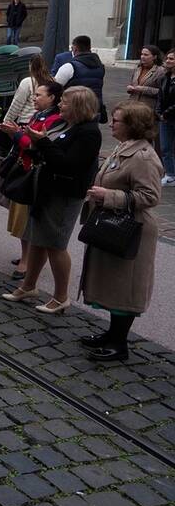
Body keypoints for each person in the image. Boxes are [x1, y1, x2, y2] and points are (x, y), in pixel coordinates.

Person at [0, 86, 99, 313]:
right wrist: (31, 144)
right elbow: (48, 153)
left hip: (64, 195)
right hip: (45, 189)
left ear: (78, 106)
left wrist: (42, 142)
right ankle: (28, 286)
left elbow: (68, 165)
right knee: (37, 238)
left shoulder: (88, 133)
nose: (60, 105)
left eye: (64, 102)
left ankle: (61, 297)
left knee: (55, 245)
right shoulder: (66, 124)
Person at [77, 100, 163, 361]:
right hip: (114, 225)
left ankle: (119, 343)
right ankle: (113, 334)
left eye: (116, 121)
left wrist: (109, 195)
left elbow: (150, 196)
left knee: (125, 287)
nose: (111, 124)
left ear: (132, 125)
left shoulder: (144, 157)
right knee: (114, 284)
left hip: (132, 230)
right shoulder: (124, 147)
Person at [0, 80, 66, 280]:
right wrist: (18, 133)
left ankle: (27, 262)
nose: (34, 98)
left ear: (52, 98)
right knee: (21, 220)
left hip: (33, 173)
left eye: (38, 95)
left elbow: (33, 144)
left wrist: (16, 134)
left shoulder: (54, 119)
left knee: (27, 221)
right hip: (25, 169)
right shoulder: (38, 114)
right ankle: (25, 256)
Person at [54, 35, 106, 122]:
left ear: (75, 48)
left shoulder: (69, 66)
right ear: (89, 48)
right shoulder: (100, 67)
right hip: (94, 108)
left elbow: (55, 88)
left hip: (74, 110)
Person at [126, 45, 164, 114]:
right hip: (132, 107)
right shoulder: (138, 68)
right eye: (142, 54)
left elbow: (162, 92)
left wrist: (144, 89)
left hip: (147, 109)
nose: (142, 57)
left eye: (146, 55)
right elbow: (133, 83)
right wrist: (130, 88)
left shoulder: (160, 71)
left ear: (154, 57)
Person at [157, 50, 175, 186]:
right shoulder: (165, 77)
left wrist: (166, 113)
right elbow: (160, 97)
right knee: (165, 147)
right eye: (167, 58)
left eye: (171, 59)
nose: (168, 61)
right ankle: (170, 174)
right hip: (165, 119)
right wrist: (159, 112)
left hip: (171, 116)